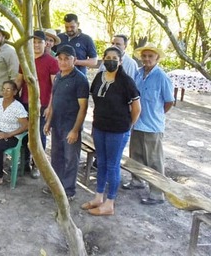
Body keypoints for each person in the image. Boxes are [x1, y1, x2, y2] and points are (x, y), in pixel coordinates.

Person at [81, 46, 141, 216]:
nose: (110, 60)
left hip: (118, 130)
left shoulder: (126, 81)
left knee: (113, 165)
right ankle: (99, 197)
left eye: (115, 58)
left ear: (121, 61)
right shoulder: (99, 77)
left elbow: (136, 108)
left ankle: (110, 203)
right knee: (101, 163)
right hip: (99, 127)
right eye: (107, 57)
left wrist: (128, 126)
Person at [122, 43, 174, 205]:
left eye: (150, 56)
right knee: (136, 155)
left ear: (157, 58)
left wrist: (157, 114)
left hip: (153, 126)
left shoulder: (162, 76)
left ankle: (157, 193)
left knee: (154, 160)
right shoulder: (137, 74)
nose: (146, 59)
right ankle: (137, 181)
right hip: (136, 123)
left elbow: (169, 101)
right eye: (144, 56)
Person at [43, 45, 89, 200]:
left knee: (71, 158)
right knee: (57, 156)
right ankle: (56, 186)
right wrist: (49, 121)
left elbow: (83, 108)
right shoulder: (58, 76)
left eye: (67, 59)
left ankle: (69, 191)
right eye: (60, 59)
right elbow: (54, 100)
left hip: (71, 125)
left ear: (74, 60)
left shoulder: (80, 79)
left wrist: (75, 130)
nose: (63, 62)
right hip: (57, 124)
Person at [15, 30, 59, 178]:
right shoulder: (25, 60)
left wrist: (50, 107)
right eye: (33, 42)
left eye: (39, 42)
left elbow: (55, 87)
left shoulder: (52, 62)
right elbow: (19, 81)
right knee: (25, 134)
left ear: (45, 43)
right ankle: (24, 161)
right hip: (25, 103)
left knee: (39, 136)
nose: (36, 45)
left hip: (43, 105)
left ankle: (37, 165)